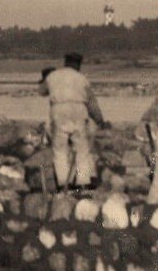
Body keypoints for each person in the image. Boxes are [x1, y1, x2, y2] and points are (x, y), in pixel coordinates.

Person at [42, 53, 108, 191]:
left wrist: (45, 77)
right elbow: (91, 103)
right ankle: (82, 182)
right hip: (79, 110)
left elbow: (42, 91)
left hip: (58, 110)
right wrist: (99, 120)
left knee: (60, 149)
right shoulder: (82, 78)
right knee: (82, 149)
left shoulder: (53, 76)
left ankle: (63, 183)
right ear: (78, 64)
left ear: (65, 62)